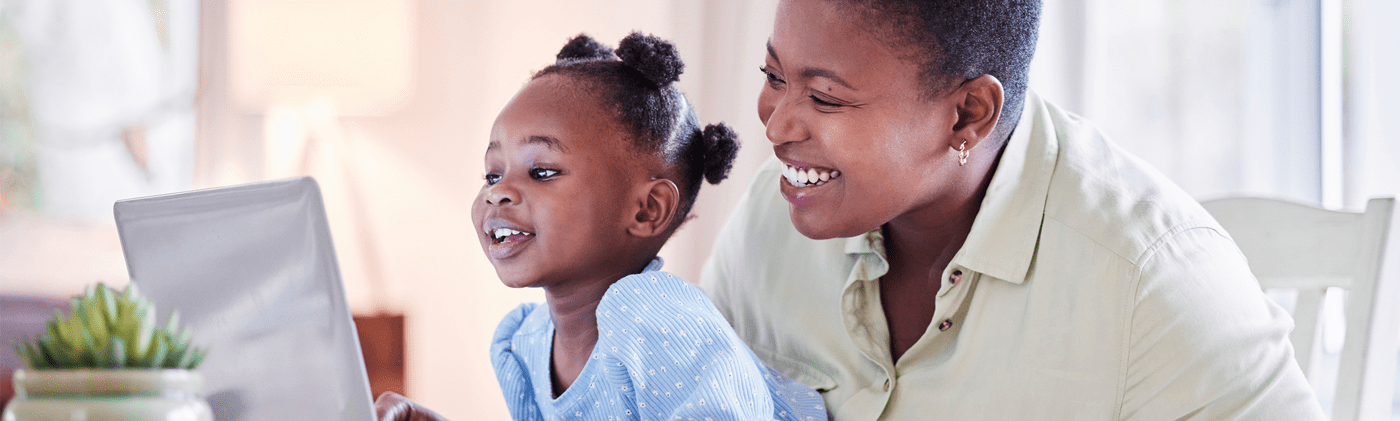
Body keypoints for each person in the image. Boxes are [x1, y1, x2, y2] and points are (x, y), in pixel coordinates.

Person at [698, 0, 1326, 419]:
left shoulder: (1153, 285)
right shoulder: (768, 223)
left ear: (968, 114)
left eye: (826, 98)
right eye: (773, 75)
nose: (776, 125)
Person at [376, 32, 827, 421]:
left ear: (648, 210)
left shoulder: (655, 316)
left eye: (543, 172)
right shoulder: (525, 343)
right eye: (493, 174)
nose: (498, 192)